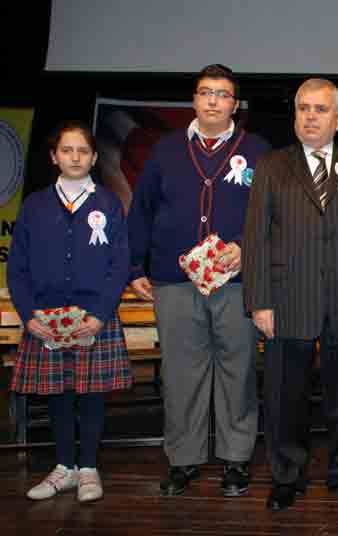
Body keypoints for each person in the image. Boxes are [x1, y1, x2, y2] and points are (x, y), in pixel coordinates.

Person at [242, 78, 338, 511]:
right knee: (286, 398)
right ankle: (287, 477)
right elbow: (255, 239)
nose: (310, 116)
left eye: (320, 109)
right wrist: (259, 301)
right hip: (288, 299)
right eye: (303, 108)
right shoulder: (271, 165)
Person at [127, 64, 270, 497]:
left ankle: (235, 460)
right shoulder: (165, 150)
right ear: (193, 99)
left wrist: (246, 247)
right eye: (205, 92)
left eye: (222, 94)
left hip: (236, 282)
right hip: (174, 282)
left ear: (235, 104)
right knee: (181, 373)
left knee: (238, 371)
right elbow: (142, 210)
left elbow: (273, 217)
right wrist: (135, 268)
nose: (213, 100)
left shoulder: (259, 150)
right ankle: (184, 460)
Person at [8, 120, 131, 503]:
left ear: (94, 158)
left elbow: (119, 263)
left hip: (94, 316)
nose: (75, 157)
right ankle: (64, 468)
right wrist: (29, 316)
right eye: (67, 150)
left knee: (91, 395)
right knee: (58, 395)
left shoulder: (108, 203)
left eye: (83, 151)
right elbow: (18, 267)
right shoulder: (35, 205)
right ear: (54, 157)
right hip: (45, 320)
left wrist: (99, 314)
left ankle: (89, 468)